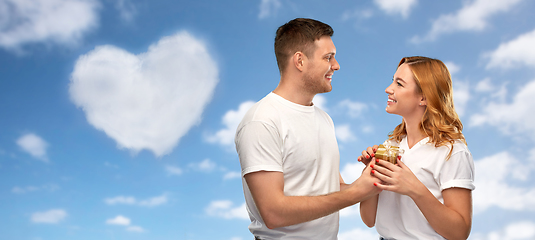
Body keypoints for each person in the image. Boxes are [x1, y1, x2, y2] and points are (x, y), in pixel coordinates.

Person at [235, 18, 381, 239]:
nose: (336, 65)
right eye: (328, 57)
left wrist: (365, 180)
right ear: (300, 61)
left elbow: (329, 191)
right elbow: (273, 213)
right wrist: (355, 192)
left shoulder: (324, 119)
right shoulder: (262, 121)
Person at [358, 56, 475, 240]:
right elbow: (369, 219)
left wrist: (414, 188)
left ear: (424, 97)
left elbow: (459, 233)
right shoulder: (391, 146)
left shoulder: (451, 151)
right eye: (392, 81)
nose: (388, 89)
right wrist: (369, 172)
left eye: (399, 84)